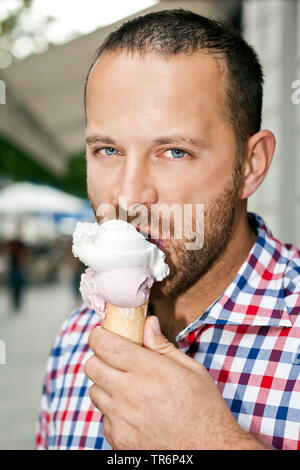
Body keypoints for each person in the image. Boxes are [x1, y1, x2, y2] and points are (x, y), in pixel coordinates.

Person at [35, 9, 300, 450]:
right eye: (107, 149)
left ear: (252, 165)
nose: (130, 195)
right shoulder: (75, 340)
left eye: (174, 151)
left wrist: (210, 440)